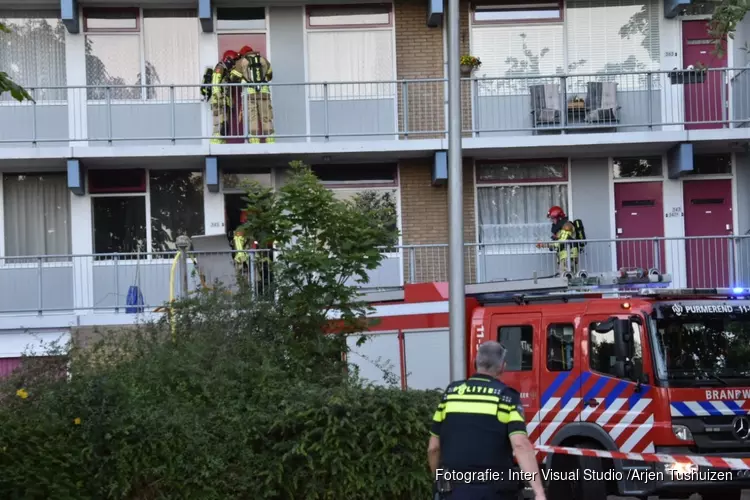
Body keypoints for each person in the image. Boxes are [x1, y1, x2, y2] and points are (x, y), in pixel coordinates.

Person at [428, 341, 546, 500]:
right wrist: (538, 492)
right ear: (502, 367)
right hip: (494, 491)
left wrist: (438, 479)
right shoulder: (506, 397)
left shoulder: (451, 394)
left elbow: (433, 448)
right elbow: (520, 445)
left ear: (475, 363)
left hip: (453, 491)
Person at [229, 45, 275, 144]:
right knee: (266, 117)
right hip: (264, 93)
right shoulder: (263, 60)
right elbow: (270, 76)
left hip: (249, 94)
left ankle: (254, 141)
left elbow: (233, 78)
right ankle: (270, 140)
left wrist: (243, 78)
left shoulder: (242, 61)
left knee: (252, 118)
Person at [537, 206, 578, 276]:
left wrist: (544, 245)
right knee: (565, 279)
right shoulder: (561, 228)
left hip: (568, 257)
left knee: (567, 279)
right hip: (564, 257)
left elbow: (561, 242)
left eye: (553, 218)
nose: (552, 221)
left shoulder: (566, 227)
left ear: (559, 217)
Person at [210, 50, 239, 145]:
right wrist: (220, 99)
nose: (234, 64)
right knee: (219, 125)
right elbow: (215, 85)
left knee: (224, 127)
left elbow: (227, 90)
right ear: (228, 59)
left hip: (224, 103)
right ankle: (215, 146)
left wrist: (231, 103)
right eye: (233, 61)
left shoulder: (226, 71)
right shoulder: (220, 68)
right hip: (218, 102)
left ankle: (222, 144)